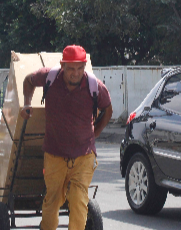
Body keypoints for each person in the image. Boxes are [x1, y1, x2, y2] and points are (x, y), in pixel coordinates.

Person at [19, 45, 113, 230]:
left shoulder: (95, 86)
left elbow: (108, 110)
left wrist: (96, 134)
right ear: (62, 65)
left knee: (79, 200)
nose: (75, 73)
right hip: (54, 155)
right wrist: (27, 103)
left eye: (79, 68)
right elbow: (28, 81)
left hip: (84, 156)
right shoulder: (50, 77)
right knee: (52, 203)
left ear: (84, 66)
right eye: (70, 68)